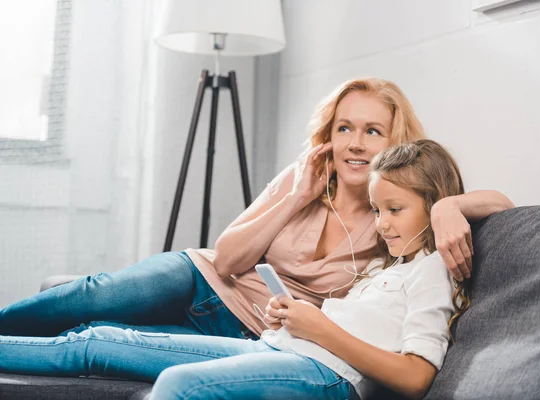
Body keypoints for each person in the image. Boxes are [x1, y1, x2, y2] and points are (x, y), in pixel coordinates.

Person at [0, 79, 512, 381]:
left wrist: (450, 206)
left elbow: (501, 204)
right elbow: (226, 260)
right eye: (344, 129)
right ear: (328, 137)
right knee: (95, 295)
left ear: (395, 143)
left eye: (372, 131)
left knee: (103, 345)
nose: (355, 144)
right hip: (202, 281)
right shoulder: (306, 178)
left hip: (252, 331)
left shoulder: (401, 215)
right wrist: (297, 198)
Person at [144, 139, 485, 399]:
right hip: (286, 346)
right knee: (105, 342)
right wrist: (296, 316)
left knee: (178, 382)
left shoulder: (433, 266)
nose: (381, 225)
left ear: (433, 204)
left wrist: (318, 328)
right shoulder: (386, 265)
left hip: (327, 371)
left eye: (394, 209)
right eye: (377, 211)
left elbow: (416, 377)